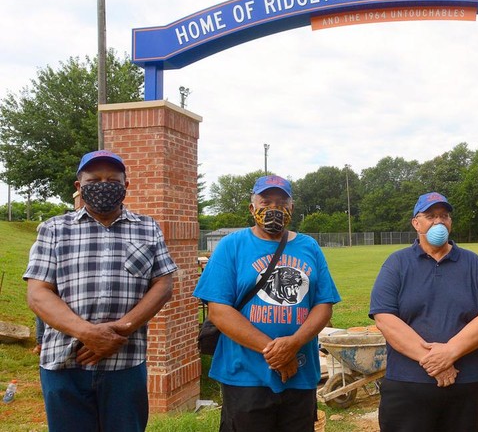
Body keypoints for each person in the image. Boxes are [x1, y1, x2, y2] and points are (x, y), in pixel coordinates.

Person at [24, 149, 177, 432]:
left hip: (126, 362)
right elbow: (38, 293)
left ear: (125, 186)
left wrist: (121, 329)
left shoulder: (148, 228)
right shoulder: (54, 229)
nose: (104, 185)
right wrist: (87, 333)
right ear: (79, 186)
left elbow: (164, 284)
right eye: (94, 179)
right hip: (64, 362)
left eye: (113, 179)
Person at [194, 175, 341, 432]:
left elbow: (323, 304)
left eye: (282, 201)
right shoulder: (232, 245)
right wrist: (277, 353)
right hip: (245, 375)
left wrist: (293, 344)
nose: (274, 208)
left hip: (300, 373)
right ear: (252, 208)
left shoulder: (310, 247)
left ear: (292, 208)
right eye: (266, 201)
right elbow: (218, 310)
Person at [369, 192, 478, 432]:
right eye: (431, 216)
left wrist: (450, 352)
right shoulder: (397, 263)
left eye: (444, 216)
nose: (439, 222)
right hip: (407, 386)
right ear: (416, 223)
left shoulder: (472, 263)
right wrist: (435, 361)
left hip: (465, 385)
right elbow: (384, 318)